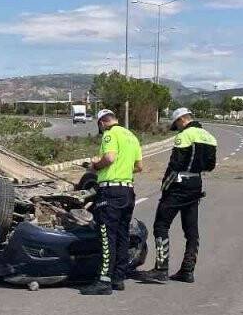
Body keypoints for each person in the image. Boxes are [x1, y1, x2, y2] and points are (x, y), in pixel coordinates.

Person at [138, 107, 216, 284]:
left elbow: (175, 165)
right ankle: (188, 270)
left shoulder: (184, 136)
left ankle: (161, 268)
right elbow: (210, 166)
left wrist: (165, 188)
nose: (177, 128)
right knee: (191, 231)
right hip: (196, 184)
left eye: (177, 125)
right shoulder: (210, 137)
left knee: (161, 225)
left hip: (178, 185)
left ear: (181, 120)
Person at [79, 109, 143, 296]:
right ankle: (118, 278)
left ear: (102, 123)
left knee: (107, 236)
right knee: (122, 234)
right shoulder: (131, 136)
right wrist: (122, 170)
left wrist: (95, 166)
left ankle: (103, 281)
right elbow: (139, 167)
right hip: (128, 191)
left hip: (111, 191)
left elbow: (109, 157)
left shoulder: (110, 134)